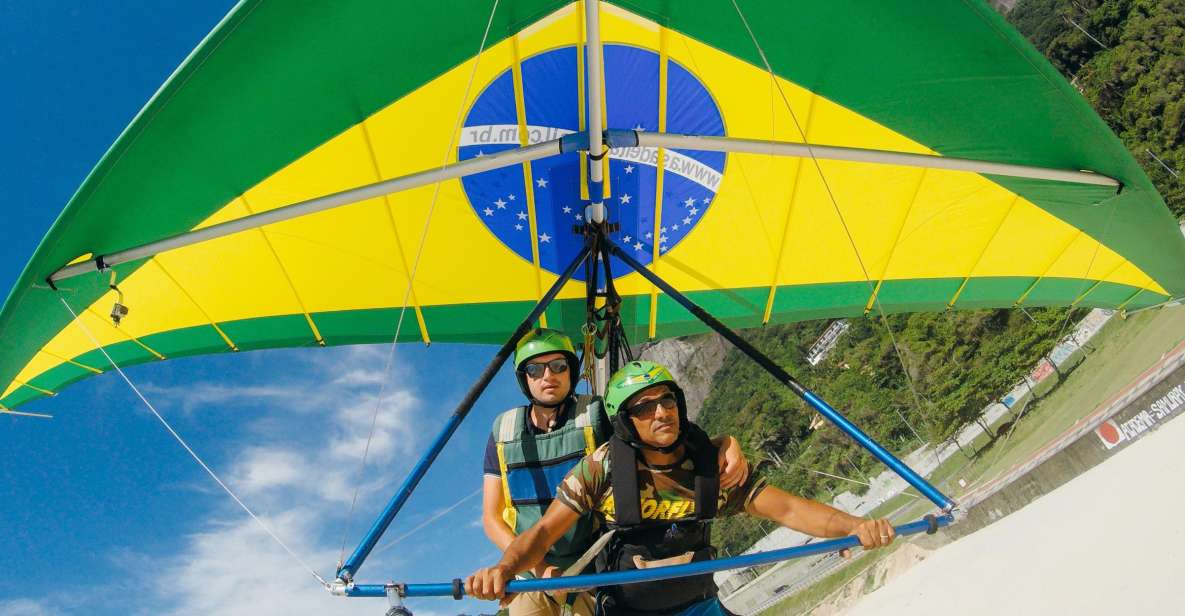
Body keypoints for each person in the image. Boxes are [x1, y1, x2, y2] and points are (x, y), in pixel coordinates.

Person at [470, 360, 898, 615]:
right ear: (624, 422)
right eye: (643, 407)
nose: (661, 413)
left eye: (667, 400)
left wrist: (854, 525)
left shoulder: (707, 466)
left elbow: (787, 510)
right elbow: (543, 533)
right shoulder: (599, 469)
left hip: (698, 606)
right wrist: (505, 570)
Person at [482, 332, 751, 616]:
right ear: (524, 378)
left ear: (571, 371)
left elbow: (660, 444)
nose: (548, 375)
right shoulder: (504, 430)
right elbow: (491, 516)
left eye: (559, 365)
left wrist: (724, 443)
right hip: (529, 570)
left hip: (594, 567)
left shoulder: (595, 413)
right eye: (535, 369)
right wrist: (539, 568)